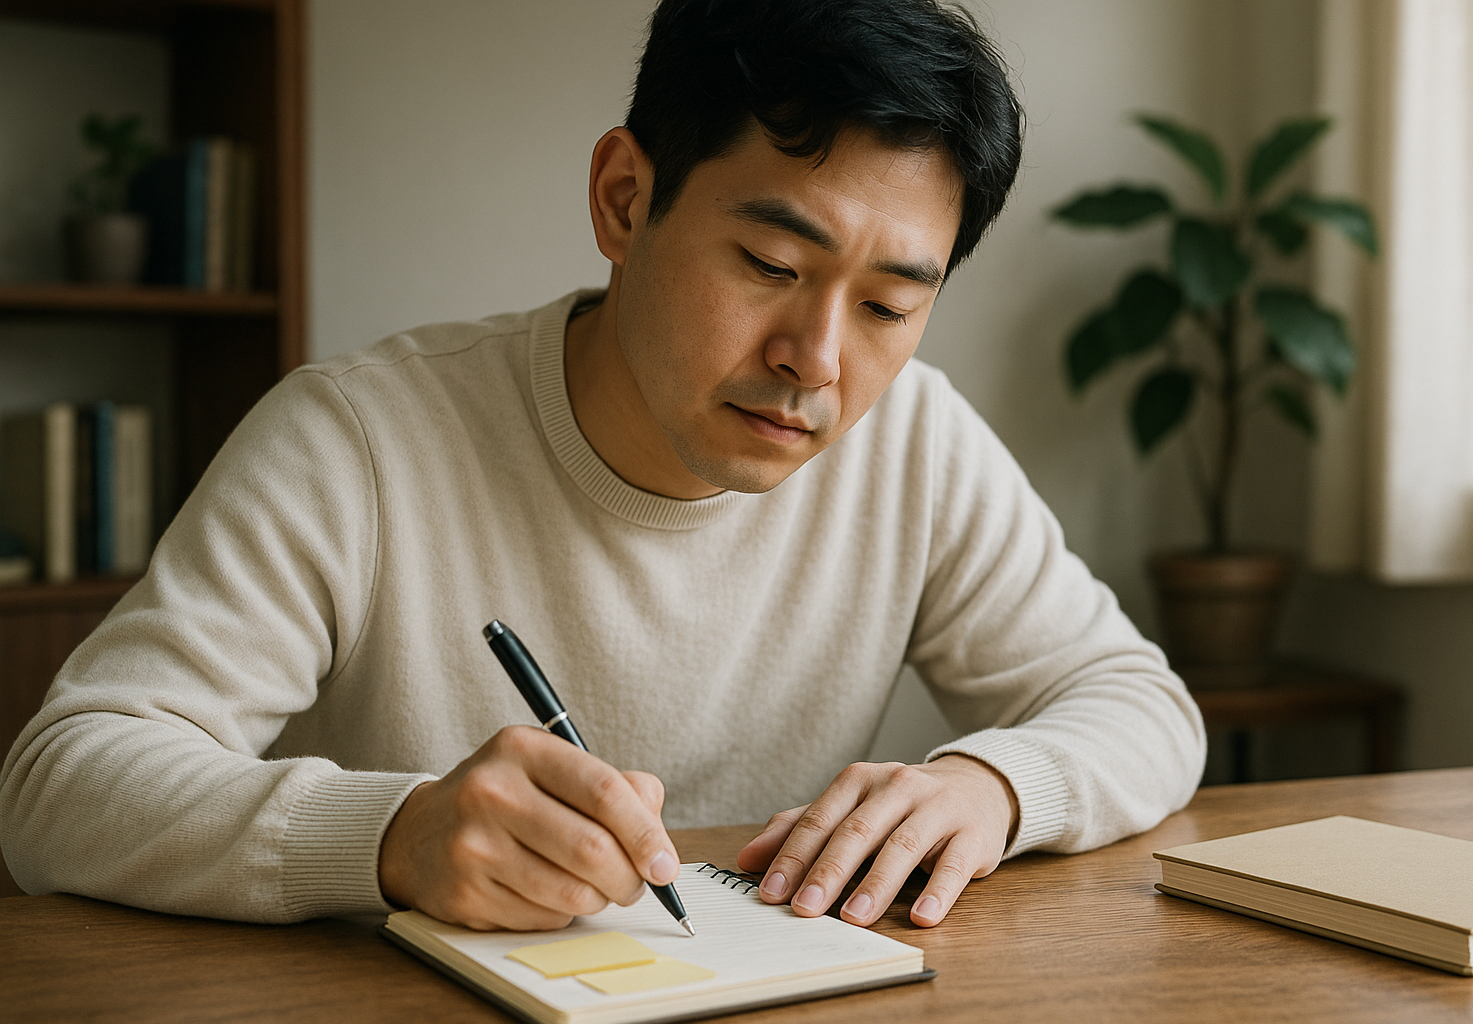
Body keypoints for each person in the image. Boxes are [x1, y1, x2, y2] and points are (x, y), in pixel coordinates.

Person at [0, 0, 1204, 933]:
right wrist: (392, 835)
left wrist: (998, 784)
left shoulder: (916, 443)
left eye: (891, 303)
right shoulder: (357, 440)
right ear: (625, 199)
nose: (817, 361)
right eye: (773, 267)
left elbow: (1143, 706)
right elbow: (61, 785)